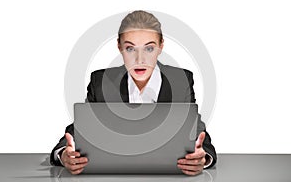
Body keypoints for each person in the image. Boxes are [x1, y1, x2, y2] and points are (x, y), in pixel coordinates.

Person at [50, 10, 217, 176]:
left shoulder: (180, 80)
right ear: (120, 47)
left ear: (160, 47)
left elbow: (195, 129)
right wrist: (64, 154)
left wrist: (203, 159)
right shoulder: (102, 82)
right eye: (130, 48)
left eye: (149, 49)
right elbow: (80, 129)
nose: (140, 59)